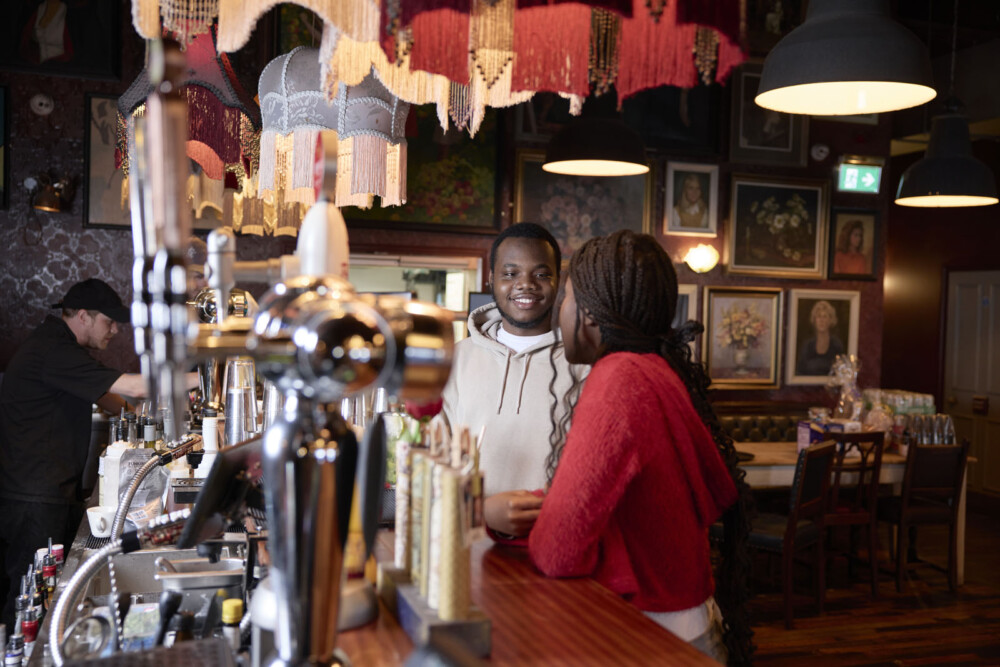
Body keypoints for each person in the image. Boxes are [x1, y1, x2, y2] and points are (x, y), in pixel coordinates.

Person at [528, 231, 754, 665]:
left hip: (651, 636)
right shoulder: (654, 369)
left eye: (567, 298)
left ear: (590, 314)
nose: (561, 313)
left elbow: (557, 553)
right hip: (686, 622)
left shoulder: (617, 381)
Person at [0, 279, 149, 629]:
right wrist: (204, 370)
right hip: (34, 498)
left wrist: (145, 415)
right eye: (109, 321)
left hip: (46, 490)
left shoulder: (60, 349)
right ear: (83, 316)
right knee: (28, 599)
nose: (114, 330)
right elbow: (133, 386)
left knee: (42, 594)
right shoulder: (54, 351)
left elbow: (113, 401)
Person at [438, 222, 584, 538]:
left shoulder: (583, 365)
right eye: (510, 273)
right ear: (492, 279)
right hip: (468, 539)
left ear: (558, 282)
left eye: (541, 274)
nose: (525, 284)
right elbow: (434, 463)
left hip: (556, 539)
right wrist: (480, 510)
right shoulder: (454, 360)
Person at [796, 300, 845, 376]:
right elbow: (799, 372)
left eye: (825, 316)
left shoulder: (836, 345)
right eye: (819, 316)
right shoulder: (807, 346)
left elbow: (842, 372)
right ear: (814, 320)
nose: (821, 320)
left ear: (830, 320)